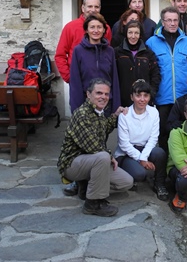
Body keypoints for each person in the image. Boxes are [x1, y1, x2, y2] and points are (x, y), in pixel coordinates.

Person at [57, 78, 133, 217]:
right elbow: (93, 146)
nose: (103, 97)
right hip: (72, 164)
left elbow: (105, 127)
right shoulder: (83, 114)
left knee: (126, 182)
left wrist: (116, 115)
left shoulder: (99, 112)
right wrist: (110, 156)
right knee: (103, 156)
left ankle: (85, 186)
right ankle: (93, 203)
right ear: (88, 94)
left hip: (91, 162)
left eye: (106, 94)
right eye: (99, 93)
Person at [146, 6, 187, 150]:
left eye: (175, 20)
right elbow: (149, 72)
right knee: (163, 133)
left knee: (185, 133)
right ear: (163, 21)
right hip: (162, 97)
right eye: (169, 20)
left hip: (183, 96)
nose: (173, 23)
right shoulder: (151, 43)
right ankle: (164, 166)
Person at [114, 79, 169, 201]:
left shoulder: (154, 112)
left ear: (149, 97)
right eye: (138, 95)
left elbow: (153, 138)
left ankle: (160, 184)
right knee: (140, 174)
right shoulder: (125, 115)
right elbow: (124, 144)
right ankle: (127, 173)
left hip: (145, 148)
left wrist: (143, 158)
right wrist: (141, 159)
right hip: (127, 153)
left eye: (146, 95)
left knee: (159, 153)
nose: (142, 99)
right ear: (132, 97)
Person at [55, 0, 112, 84]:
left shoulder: (106, 29)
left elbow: (107, 54)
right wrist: (69, 77)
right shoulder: (70, 27)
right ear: (83, 8)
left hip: (101, 80)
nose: (93, 10)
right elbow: (60, 55)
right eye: (89, 6)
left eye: (96, 7)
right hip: (78, 79)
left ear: (100, 8)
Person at [68, 14, 120, 114]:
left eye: (99, 27)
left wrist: (115, 106)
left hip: (106, 103)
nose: (96, 31)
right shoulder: (78, 51)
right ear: (86, 30)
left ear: (104, 30)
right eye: (92, 27)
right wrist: (76, 109)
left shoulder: (110, 51)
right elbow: (75, 81)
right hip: (86, 103)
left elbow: (115, 79)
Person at [115, 20, 161, 108]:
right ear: (126, 34)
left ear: (140, 35)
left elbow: (155, 75)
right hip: (123, 101)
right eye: (130, 33)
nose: (133, 36)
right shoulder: (117, 53)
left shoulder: (148, 54)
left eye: (136, 33)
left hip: (143, 101)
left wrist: (151, 94)